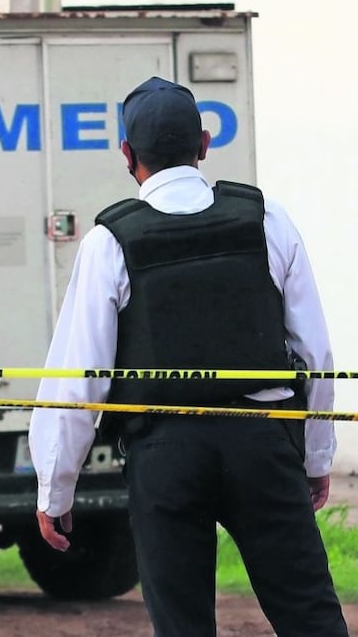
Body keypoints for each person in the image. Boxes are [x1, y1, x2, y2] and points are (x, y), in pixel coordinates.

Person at [27, 76, 348, 636]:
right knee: (311, 617)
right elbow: (315, 355)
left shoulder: (110, 242)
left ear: (127, 154)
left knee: (183, 627)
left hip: (165, 453)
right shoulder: (267, 220)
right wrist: (316, 457)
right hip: (262, 442)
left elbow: (78, 381)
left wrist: (55, 489)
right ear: (203, 144)